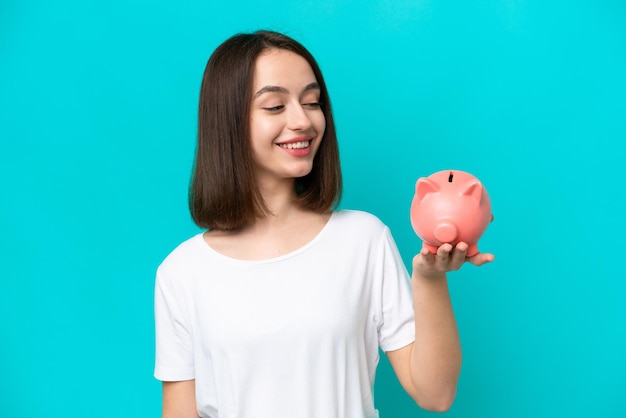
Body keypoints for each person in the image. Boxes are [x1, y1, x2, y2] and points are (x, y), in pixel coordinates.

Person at [154, 30, 494, 418]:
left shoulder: (363, 240)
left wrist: (431, 280)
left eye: (312, 102)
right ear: (227, 120)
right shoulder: (181, 273)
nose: (303, 120)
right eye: (275, 106)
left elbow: (435, 394)